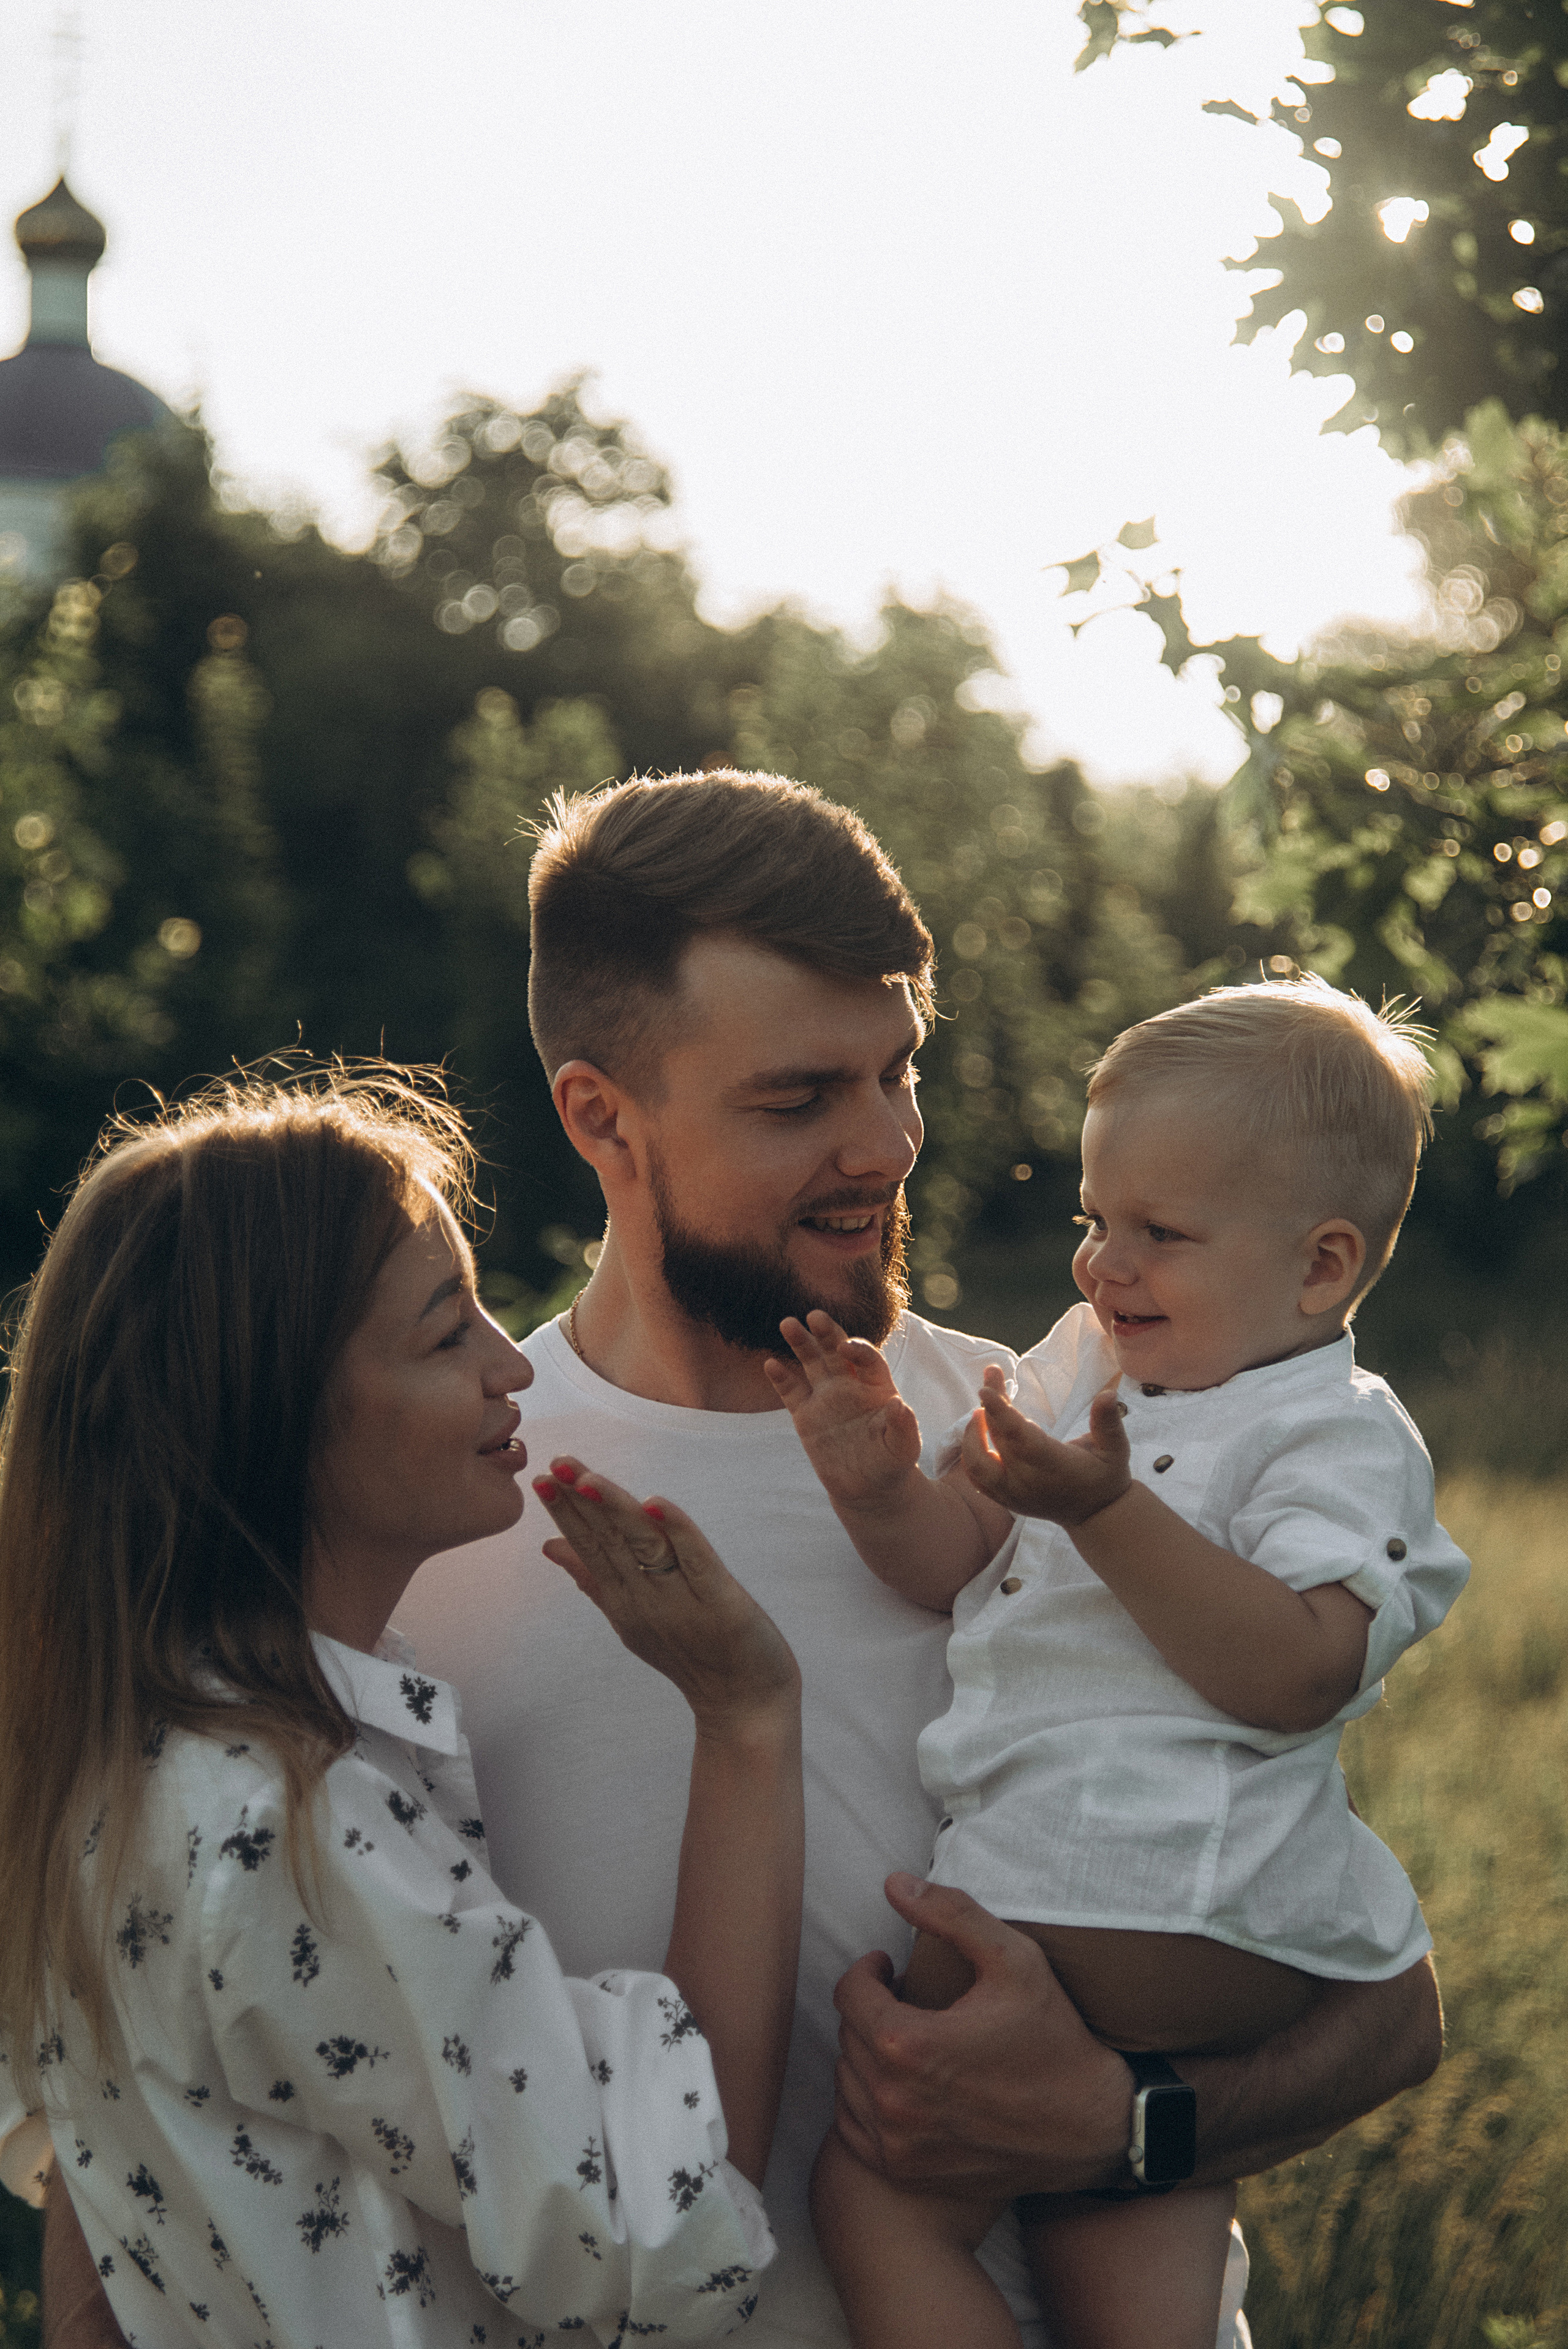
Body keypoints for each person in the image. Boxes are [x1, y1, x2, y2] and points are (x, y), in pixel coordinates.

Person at [40, 774, 1445, 2349]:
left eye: (896, 1072)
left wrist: (1122, 2123)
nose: (883, 1147)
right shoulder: (414, 1509)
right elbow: (150, 2127)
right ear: (599, 1113)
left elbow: (1379, 2003)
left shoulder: (1058, 1441)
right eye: (797, 1099)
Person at [0, 1066, 805, 2345]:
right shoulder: (301, 1826)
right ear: (272, 1419)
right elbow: (657, 2229)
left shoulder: (104, 1767)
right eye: (445, 1334)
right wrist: (746, 1717)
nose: (509, 1367)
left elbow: (94, 2245)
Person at [768, 979, 1469, 2349]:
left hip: (1147, 1893)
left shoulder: (1325, 1431)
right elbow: (954, 1550)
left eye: (1159, 1232)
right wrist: (873, 1486)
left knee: (871, 2200)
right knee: (1137, 2300)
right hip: (1118, 1948)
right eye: (1097, 1220)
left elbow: (1300, 1668)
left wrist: (1103, 1507)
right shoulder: (1088, 1358)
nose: (1102, 1263)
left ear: (1319, 1268)